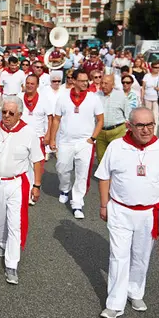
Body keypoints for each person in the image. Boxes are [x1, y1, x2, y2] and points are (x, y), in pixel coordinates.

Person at [95, 107, 159, 318]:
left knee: (141, 256)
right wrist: (104, 205)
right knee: (118, 256)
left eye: (150, 124)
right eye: (140, 125)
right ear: (129, 126)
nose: (146, 130)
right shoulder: (116, 147)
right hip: (120, 211)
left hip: (150, 214)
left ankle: (135, 292)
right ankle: (114, 303)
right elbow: (104, 176)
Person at [0, 96, 44, 284]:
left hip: (16, 183)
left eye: (11, 113)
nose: (6, 116)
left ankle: (12, 264)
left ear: (19, 114)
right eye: (4, 112)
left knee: (15, 223)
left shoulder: (29, 133)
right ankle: (2, 243)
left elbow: (38, 161)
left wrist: (37, 185)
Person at [48, 69, 104, 220]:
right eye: (82, 80)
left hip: (85, 142)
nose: (85, 83)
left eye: (87, 80)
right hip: (65, 141)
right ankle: (65, 188)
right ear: (73, 81)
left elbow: (100, 120)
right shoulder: (63, 97)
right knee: (62, 168)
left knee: (82, 173)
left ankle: (77, 203)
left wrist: (92, 138)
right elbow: (56, 119)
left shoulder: (93, 98)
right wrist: (52, 139)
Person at [19, 74, 55, 205]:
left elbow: (50, 118)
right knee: (22, 166)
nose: (29, 86)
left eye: (32, 84)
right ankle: (23, 191)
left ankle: (33, 190)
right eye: (27, 83)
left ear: (37, 85)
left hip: (38, 137)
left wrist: (48, 135)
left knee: (36, 166)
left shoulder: (44, 99)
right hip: (21, 136)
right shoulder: (19, 97)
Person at [95, 75, 131, 161]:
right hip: (100, 132)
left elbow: (129, 114)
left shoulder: (120, 96)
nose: (103, 85)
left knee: (117, 158)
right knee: (101, 159)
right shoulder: (96, 96)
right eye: (102, 83)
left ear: (113, 84)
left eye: (106, 83)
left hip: (117, 132)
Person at [141, 61, 159, 134]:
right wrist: (142, 97)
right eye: (155, 67)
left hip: (157, 98)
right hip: (147, 97)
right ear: (152, 68)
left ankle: (154, 133)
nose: (157, 69)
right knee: (147, 114)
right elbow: (143, 87)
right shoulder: (147, 76)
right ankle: (146, 130)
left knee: (155, 115)